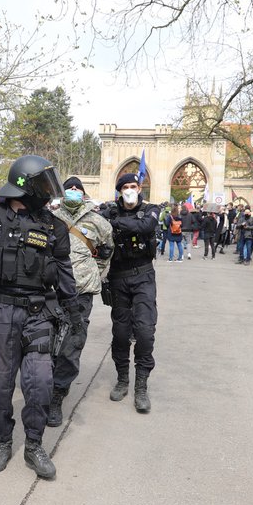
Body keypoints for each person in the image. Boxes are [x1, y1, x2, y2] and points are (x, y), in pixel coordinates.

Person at [0, 155, 81, 479]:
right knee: (0, 386)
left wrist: (74, 310)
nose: (47, 191)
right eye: (42, 184)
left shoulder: (53, 226)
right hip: (0, 312)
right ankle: (3, 440)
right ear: (24, 186)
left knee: (40, 382)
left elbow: (65, 270)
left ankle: (34, 445)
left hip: (39, 313)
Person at [48, 176, 113, 427]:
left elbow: (107, 251)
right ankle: (43, 387)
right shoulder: (50, 218)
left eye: (78, 188)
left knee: (72, 344)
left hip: (81, 292)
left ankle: (57, 395)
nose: (73, 190)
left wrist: (93, 271)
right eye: (69, 188)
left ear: (84, 193)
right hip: (51, 291)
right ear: (63, 193)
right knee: (46, 341)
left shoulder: (98, 222)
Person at [100, 173, 160, 413]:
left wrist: (115, 223)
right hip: (118, 277)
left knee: (145, 332)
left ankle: (141, 386)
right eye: (125, 187)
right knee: (121, 332)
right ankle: (123, 379)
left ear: (140, 187)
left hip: (144, 275)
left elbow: (145, 226)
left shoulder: (151, 209)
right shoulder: (110, 212)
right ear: (119, 190)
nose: (129, 190)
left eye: (133, 186)